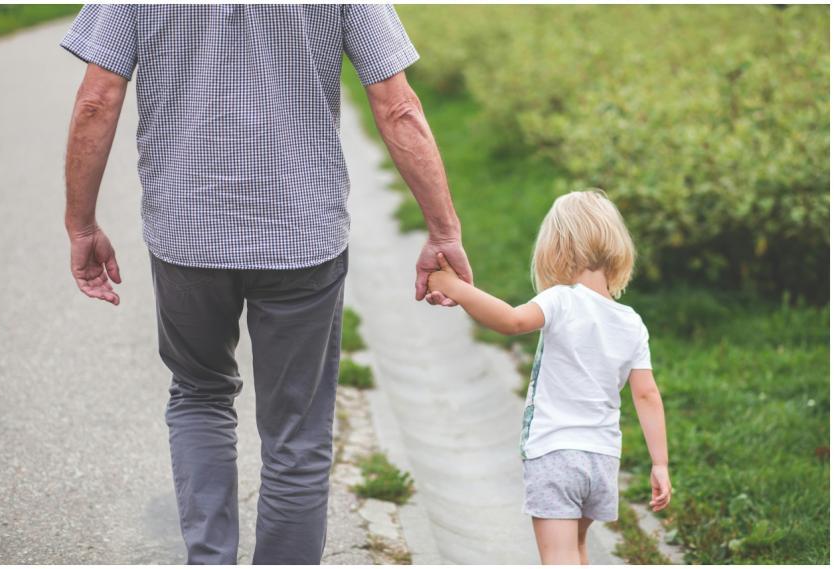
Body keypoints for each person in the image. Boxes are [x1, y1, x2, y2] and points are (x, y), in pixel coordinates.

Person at [60, 4, 471, 564]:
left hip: (187, 234)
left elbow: (95, 100)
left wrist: (81, 224)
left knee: (200, 396)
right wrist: (443, 229)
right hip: (301, 237)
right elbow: (398, 107)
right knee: (296, 437)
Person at [427, 189, 671, 564]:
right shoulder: (631, 323)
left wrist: (457, 288)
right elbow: (647, 396)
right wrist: (660, 464)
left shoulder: (562, 299)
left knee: (558, 558)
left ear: (557, 250)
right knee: (576, 550)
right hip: (603, 460)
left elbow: (511, 321)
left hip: (556, 454)